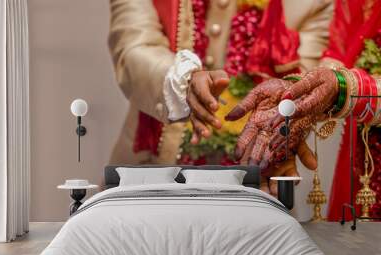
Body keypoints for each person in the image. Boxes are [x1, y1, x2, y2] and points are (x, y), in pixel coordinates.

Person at [108, 0, 333, 198]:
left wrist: (282, 125)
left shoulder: (311, 3)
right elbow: (132, 48)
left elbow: (304, 82)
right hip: (150, 168)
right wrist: (183, 81)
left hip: (256, 181)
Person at [228, 0, 381, 220]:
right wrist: (293, 98)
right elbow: (336, 58)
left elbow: (338, 80)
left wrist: (341, 88)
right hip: (365, 149)